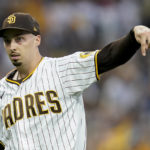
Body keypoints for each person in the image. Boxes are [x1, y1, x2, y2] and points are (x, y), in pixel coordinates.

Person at [0, 12, 150, 150]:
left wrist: (132, 38)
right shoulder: (2, 91)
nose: (12, 46)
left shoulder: (63, 69)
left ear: (37, 39)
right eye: (7, 41)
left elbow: (107, 57)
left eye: (19, 39)